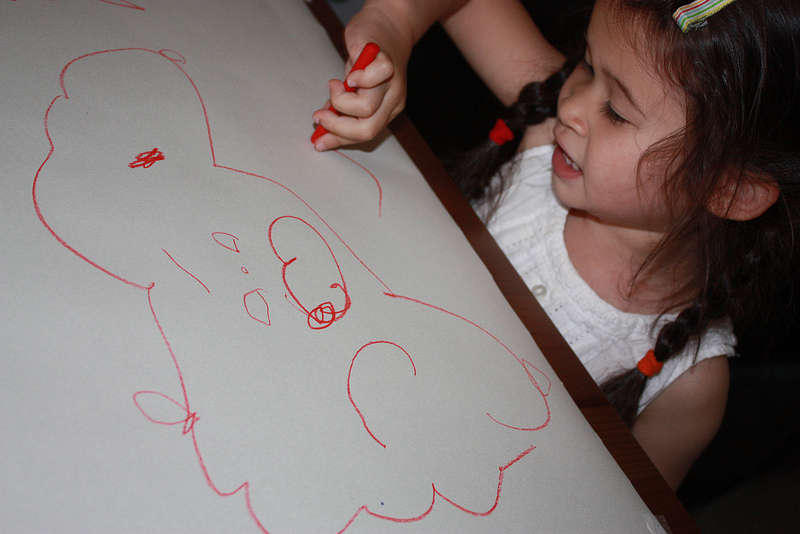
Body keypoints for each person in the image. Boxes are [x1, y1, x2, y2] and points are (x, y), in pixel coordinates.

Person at [311, 0, 800, 491]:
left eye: (617, 112)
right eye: (586, 64)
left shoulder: (688, 387)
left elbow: (621, 513)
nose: (570, 106)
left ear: (729, 190)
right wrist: (393, 24)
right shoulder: (548, 127)